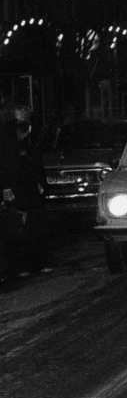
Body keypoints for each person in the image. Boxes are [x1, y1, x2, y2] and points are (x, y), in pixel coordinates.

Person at [0, 104, 49, 278]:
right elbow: (7, 166)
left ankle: (37, 263)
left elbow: (33, 161)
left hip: (28, 189)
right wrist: (5, 187)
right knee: (17, 228)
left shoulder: (26, 142)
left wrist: (40, 182)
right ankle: (20, 266)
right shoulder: (7, 142)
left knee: (33, 224)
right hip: (15, 189)